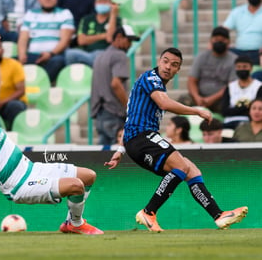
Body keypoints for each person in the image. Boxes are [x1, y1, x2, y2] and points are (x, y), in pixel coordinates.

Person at [0, 34, 103, 236]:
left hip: (34, 169)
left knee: (89, 176)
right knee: (76, 186)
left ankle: (71, 221)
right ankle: (76, 224)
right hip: (19, 185)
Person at [105, 47, 248, 231]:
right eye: (165, 61)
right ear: (159, 61)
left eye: (174, 65)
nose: (168, 67)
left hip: (138, 141)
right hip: (142, 138)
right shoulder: (151, 78)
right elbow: (165, 103)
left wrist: (120, 149)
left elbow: (130, 117)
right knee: (181, 166)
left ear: (178, 70)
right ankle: (149, 212)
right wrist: (196, 110)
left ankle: (218, 215)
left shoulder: (154, 85)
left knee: (190, 169)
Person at [91, 25, 139, 146]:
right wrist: (129, 108)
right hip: (114, 113)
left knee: (103, 156)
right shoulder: (119, 55)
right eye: (128, 40)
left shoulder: (100, 57)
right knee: (117, 155)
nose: (130, 45)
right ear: (118, 37)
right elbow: (116, 84)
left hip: (100, 114)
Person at [17, 0, 75, 84]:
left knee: (58, 62)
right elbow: (23, 38)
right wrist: (22, 55)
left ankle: (38, 85)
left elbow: (65, 40)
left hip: (53, 55)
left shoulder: (64, 14)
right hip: (32, 55)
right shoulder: (30, 14)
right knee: (11, 61)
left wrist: (50, 54)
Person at [187, 26, 237, 113]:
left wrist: (210, 99)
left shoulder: (234, 60)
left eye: (223, 39)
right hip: (199, 97)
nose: (219, 42)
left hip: (220, 99)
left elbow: (231, 86)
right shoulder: (201, 57)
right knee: (183, 101)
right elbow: (192, 80)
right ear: (211, 40)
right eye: (216, 39)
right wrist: (197, 97)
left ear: (228, 42)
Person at [65, 0, 121, 67]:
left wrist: (113, 15)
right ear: (95, 3)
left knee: (99, 56)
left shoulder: (116, 20)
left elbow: (110, 38)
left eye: (105, 1)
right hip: (87, 53)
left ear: (111, 3)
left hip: (105, 52)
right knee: (70, 54)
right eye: (99, 1)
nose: (102, 3)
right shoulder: (86, 19)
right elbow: (81, 41)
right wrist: (104, 35)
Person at [223, 0, 262, 65]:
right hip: (239, 53)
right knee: (221, 49)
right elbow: (223, 30)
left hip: (259, 53)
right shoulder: (237, 12)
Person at [222, 56, 262, 129]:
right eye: (239, 67)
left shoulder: (259, 86)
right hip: (229, 123)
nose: (241, 69)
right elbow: (224, 111)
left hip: (250, 122)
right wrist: (246, 107)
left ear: (251, 68)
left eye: (245, 67)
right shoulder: (230, 87)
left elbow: (257, 109)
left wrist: (234, 110)